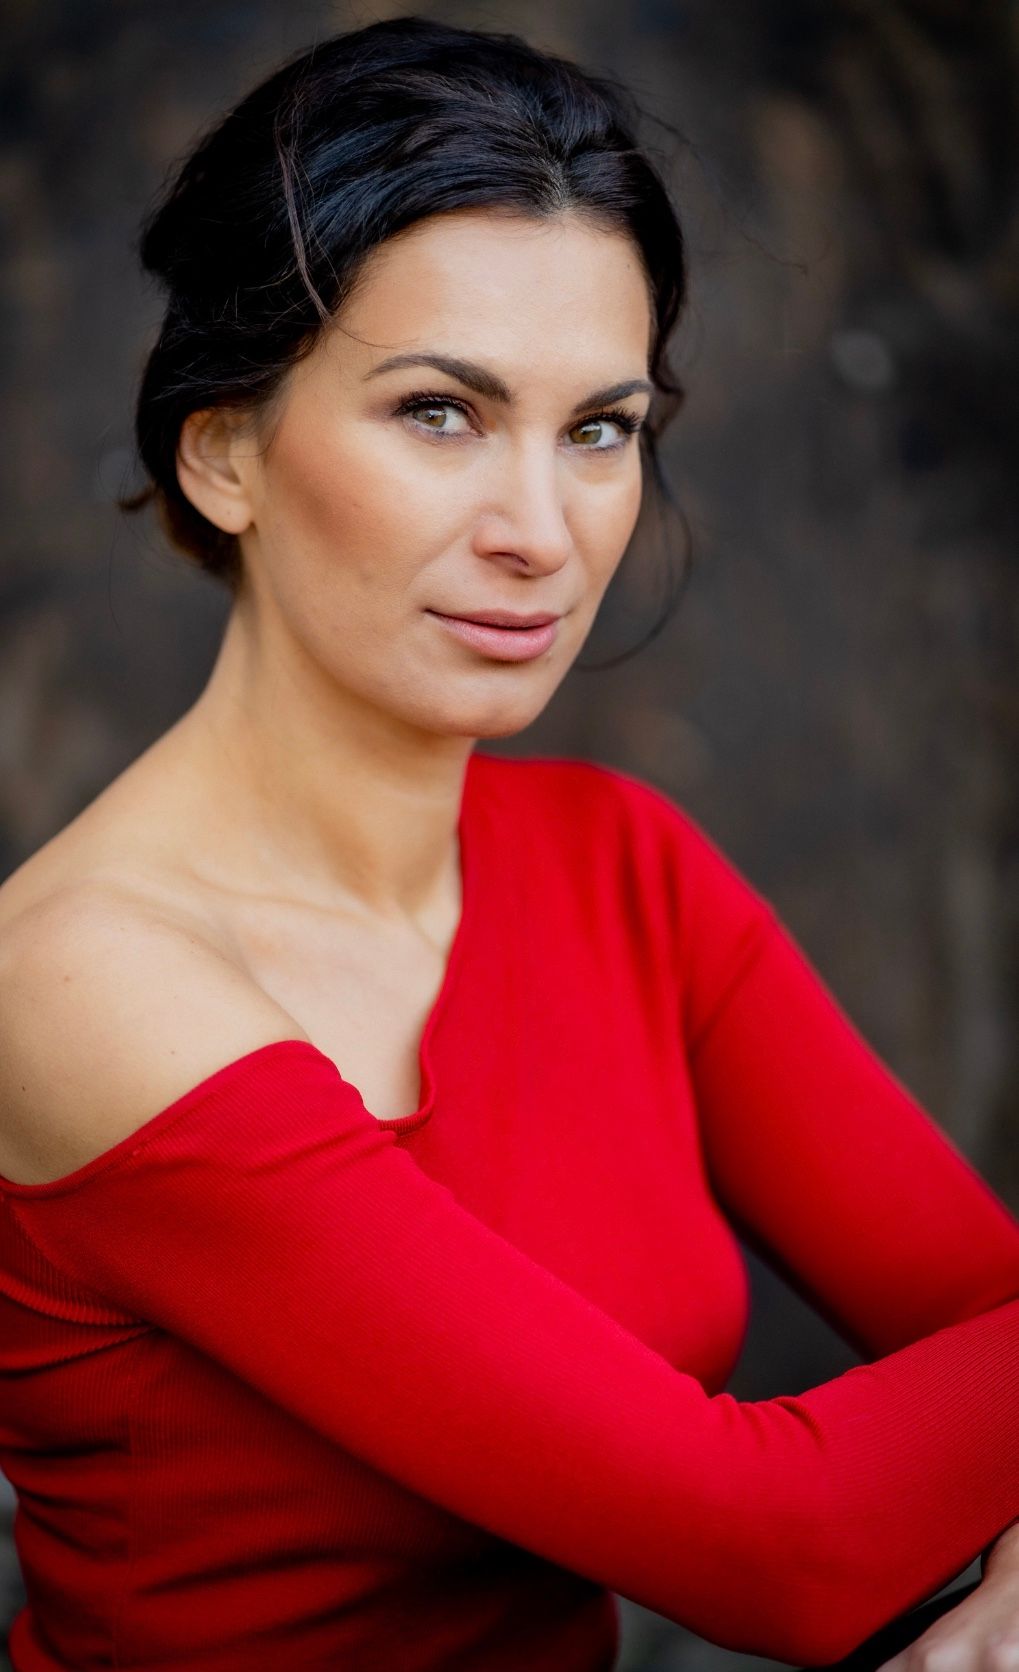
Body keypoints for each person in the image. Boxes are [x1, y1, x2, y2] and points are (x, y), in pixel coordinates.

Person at [0, 15, 1016, 1672]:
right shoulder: (83, 985)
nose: (542, 533)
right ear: (226, 450)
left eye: (599, 429)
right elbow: (783, 1545)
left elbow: (991, 1317)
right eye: (440, 412)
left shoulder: (622, 866)